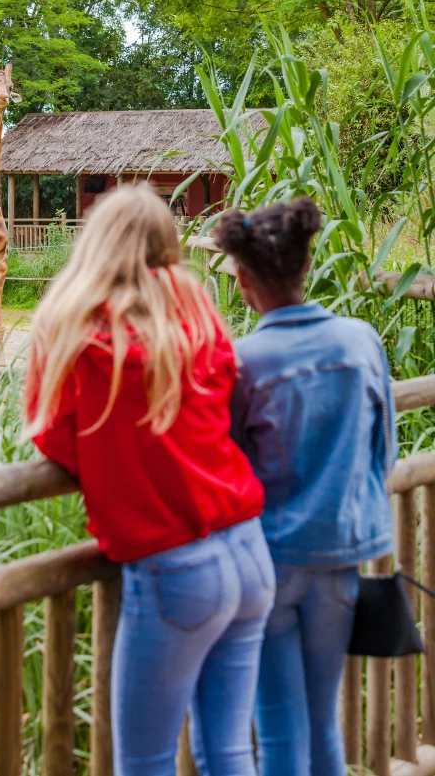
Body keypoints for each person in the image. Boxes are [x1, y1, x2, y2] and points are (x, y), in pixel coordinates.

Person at [24, 184, 274, 776]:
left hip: (177, 566)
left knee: (145, 762)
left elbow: (54, 433)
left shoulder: (83, 333)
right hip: (247, 548)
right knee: (229, 752)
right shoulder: (198, 317)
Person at [215, 197, 396, 776]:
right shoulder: (360, 342)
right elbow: (383, 451)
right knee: (322, 723)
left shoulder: (243, 362)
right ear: (307, 264)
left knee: (277, 730)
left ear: (241, 278)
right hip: (339, 560)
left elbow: (231, 467)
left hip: (267, 564)